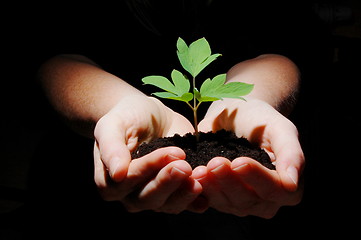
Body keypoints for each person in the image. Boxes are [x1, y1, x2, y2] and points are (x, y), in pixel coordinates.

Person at [36, 0, 306, 224]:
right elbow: (50, 52)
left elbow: (284, 42)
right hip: (81, 182)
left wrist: (253, 98)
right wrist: (115, 105)